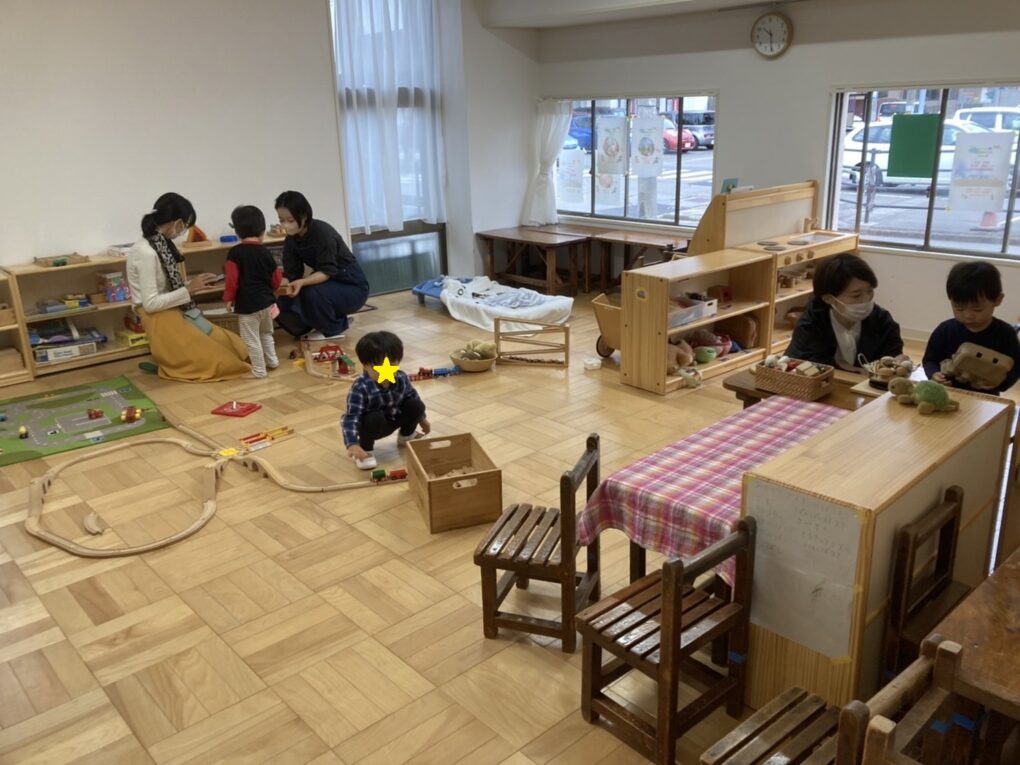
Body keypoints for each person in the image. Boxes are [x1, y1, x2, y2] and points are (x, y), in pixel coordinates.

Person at [126, 193, 250, 381]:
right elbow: (150, 304)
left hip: (173, 308)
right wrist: (189, 289)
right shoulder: (146, 252)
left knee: (231, 344)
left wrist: (193, 285)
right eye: (185, 226)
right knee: (220, 361)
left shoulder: (161, 244)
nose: (183, 231)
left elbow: (166, 288)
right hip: (157, 316)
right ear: (177, 223)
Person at [274, 190, 369, 341]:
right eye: (281, 220)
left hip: (351, 286)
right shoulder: (291, 240)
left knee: (311, 292)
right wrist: (277, 286)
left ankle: (333, 328)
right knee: (281, 301)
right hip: (327, 284)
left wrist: (302, 282)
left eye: (290, 220)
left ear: (304, 216)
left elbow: (326, 271)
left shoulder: (323, 233)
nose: (285, 225)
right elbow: (292, 273)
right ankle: (309, 327)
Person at [785, 253, 903, 370]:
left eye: (870, 291)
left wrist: (898, 363)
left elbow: (892, 356)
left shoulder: (882, 319)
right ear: (829, 298)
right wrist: (850, 371)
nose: (866, 300)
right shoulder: (810, 325)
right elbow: (810, 365)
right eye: (856, 295)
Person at [923, 261, 1020, 395]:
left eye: (977, 309)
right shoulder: (945, 330)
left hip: (985, 399)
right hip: (947, 393)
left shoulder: (1005, 334)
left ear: (998, 300)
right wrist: (934, 373)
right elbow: (930, 359)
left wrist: (1001, 381)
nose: (968, 316)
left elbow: (1016, 367)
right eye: (959, 308)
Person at [342, 331, 430, 470]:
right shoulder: (360, 387)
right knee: (374, 417)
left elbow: (412, 396)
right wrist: (352, 444)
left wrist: (422, 419)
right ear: (364, 365)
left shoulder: (401, 378)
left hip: (395, 418)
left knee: (416, 404)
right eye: (377, 366)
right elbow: (351, 417)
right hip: (372, 426)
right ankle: (365, 450)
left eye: (390, 364)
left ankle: (406, 436)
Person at [223, 205, 282, 379]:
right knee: (266, 334)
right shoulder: (266, 252)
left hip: (248, 306)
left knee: (251, 339)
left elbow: (231, 280)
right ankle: (273, 361)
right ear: (262, 231)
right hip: (267, 303)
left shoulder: (235, 253)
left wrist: (229, 298)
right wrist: (271, 291)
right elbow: (276, 278)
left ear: (237, 232)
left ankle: (259, 370)